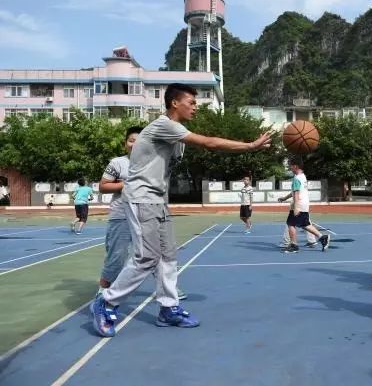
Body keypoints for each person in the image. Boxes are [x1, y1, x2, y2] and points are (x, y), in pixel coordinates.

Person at [90, 83, 273, 337]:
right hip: (142, 199)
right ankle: (107, 301)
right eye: (192, 103)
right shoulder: (164, 125)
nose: (196, 108)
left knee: (168, 257)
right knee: (146, 258)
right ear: (174, 103)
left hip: (158, 201)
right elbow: (210, 143)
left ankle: (168, 308)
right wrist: (250, 146)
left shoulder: (176, 134)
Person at [95, 126, 187, 300]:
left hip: (149, 213)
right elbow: (103, 186)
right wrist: (129, 183)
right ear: (125, 144)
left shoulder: (155, 162)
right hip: (121, 215)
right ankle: (103, 289)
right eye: (131, 140)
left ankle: (166, 290)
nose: (134, 144)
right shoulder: (118, 163)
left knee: (157, 254)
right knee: (117, 255)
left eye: (138, 141)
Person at [277, 157, 330, 253]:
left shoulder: (296, 178)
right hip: (304, 205)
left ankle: (294, 245)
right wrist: (284, 198)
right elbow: (295, 192)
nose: (290, 168)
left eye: (291, 166)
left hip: (299, 205)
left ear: (295, 166)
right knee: (305, 225)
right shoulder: (303, 177)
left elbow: (296, 194)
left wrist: (296, 207)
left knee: (290, 224)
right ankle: (322, 237)